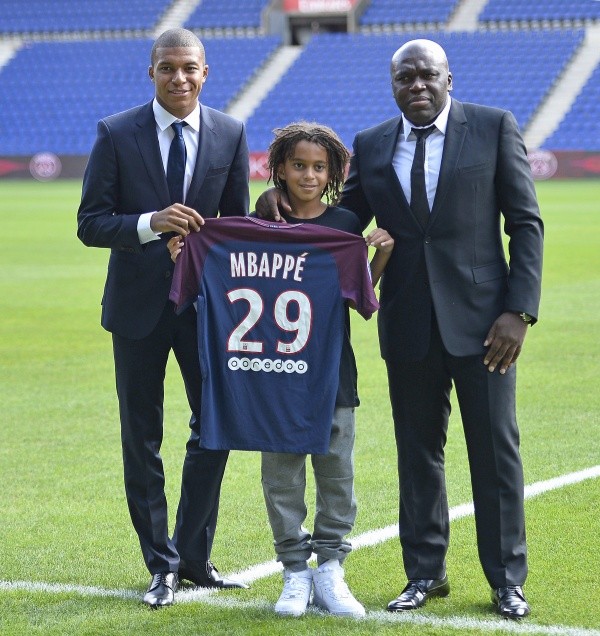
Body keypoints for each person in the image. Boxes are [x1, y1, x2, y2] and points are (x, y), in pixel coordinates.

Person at [255, 40, 544, 620]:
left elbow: (525, 220)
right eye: (405, 77)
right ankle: (424, 574)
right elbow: (346, 218)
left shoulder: (493, 127)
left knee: (494, 453)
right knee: (418, 454)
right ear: (392, 84)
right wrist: (282, 209)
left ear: (448, 78)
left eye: (427, 75)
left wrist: (520, 310)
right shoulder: (372, 143)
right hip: (408, 323)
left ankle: (506, 580)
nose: (417, 85)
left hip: (488, 326)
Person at [169, 121, 394, 617]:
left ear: (334, 171)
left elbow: (362, 302)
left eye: (319, 167)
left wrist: (381, 257)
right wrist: (190, 254)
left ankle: (331, 567)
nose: (309, 175)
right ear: (279, 170)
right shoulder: (256, 223)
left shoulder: (343, 227)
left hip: (331, 372)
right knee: (282, 475)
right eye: (298, 166)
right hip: (269, 374)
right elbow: (212, 269)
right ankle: (294, 569)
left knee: (337, 470)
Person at [77, 28, 249, 607]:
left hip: (204, 309)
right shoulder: (116, 133)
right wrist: (154, 225)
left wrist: (203, 252)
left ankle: (194, 556)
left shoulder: (229, 132)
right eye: (168, 67)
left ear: (207, 72)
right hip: (137, 311)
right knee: (141, 437)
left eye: (189, 68)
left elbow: (235, 228)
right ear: (150, 73)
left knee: (216, 430)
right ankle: (160, 563)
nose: (179, 77)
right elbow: (91, 223)